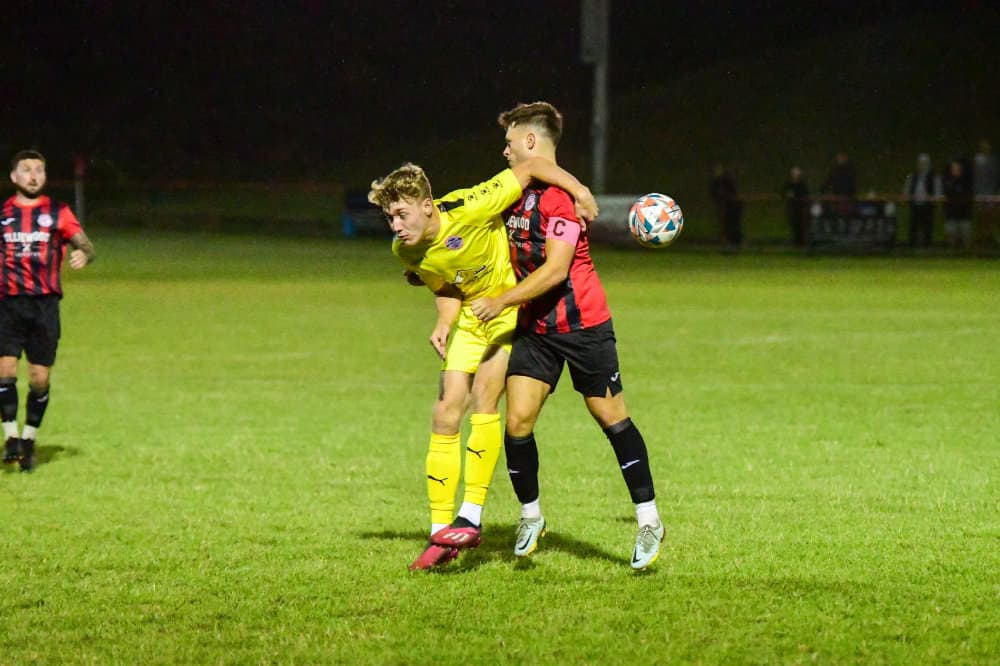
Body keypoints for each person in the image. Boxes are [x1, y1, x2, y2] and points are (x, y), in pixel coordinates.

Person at [367, 157, 596, 571]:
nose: (395, 225)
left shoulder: (472, 205)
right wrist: (444, 322)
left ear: (427, 206)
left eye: (401, 214)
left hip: (507, 308)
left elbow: (532, 166)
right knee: (445, 411)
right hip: (473, 319)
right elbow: (446, 285)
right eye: (389, 218)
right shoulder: (405, 249)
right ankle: (441, 531)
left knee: (483, 397)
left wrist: (579, 191)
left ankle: (470, 516)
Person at [468, 101, 665, 570]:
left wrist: (501, 301)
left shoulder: (559, 200)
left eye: (510, 143)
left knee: (611, 419)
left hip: (584, 327)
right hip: (537, 328)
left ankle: (649, 519)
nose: (505, 151)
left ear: (530, 142)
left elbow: (557, 270)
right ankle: (531, 515)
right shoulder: (516, 190)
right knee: (518, 421)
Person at [1, 150, 95, 472]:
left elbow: (87, 245)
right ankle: (11, 437)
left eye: (39, 170)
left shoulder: (58, 212)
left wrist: (84, 255)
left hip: (44, 306)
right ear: (14, 176)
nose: (33, 176)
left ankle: (28, 440)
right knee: (5, 371)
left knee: (39, 378)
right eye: (26, 170)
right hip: (7, 304)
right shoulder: (3, 214)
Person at [902, 153, 942, 249]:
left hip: (928, 205)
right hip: (915, 204)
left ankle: (927, 246)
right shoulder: (912, 175)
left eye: (924, 163)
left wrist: (934, 198)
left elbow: (938, 190)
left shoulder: (934, 176)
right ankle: (911, 246)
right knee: (913, 226)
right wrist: (906, 197)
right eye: (920, 163)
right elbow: (907, 188)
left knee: (927, 226)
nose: (922, 165)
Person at [709, 164, 742, 251]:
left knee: (728, 223)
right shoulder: (717, 183)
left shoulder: (726, 181)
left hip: (729, 206)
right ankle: (726, 241)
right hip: (722, 206)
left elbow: (732, 193)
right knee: (723, 223)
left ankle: (731, 241)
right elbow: (714, 193)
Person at [942, 159, 973, 251]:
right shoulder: (948, 182)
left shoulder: (966, 182)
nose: (956, 171)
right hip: (951, 214)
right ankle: (952, 252)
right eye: (954, 169)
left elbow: (968, 196)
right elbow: (946, 196)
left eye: (958, 169)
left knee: (966, 235)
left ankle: (967, 253)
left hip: (964, 214)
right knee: (951, 236)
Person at [781, 166, 810, 247]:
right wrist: (787, 194)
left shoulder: (802, 184)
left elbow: (805, 194)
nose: (796, 175)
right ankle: (796, 242)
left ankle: (801, 242)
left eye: (797, 174)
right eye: (794, 174)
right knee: (794, 225)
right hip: (792, 207)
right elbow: (782, 192)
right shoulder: (789, 184)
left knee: (801, 225)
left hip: (800, 207)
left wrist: (795, 195)